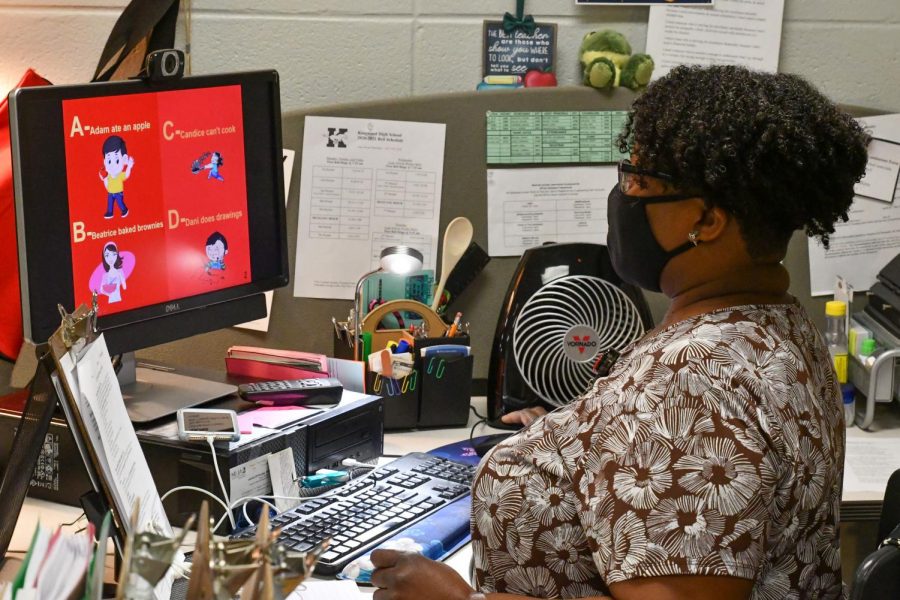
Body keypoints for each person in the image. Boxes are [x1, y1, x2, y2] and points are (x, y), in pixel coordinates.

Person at [370, 65, 870, 600]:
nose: (621, 194)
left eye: (638, 180)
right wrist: (571, 440)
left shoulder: (691, 378)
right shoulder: (783, 328)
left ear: (705, 220)